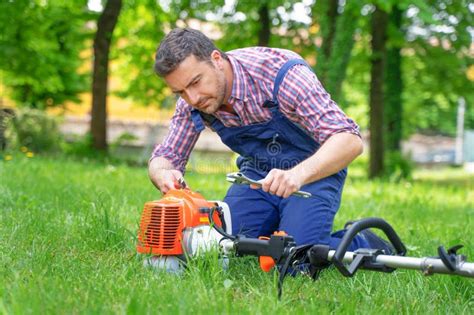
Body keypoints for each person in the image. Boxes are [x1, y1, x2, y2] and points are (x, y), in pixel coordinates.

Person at [148, 28, 392, 252]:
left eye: (195, 82)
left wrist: (296, 175)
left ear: (216, 60)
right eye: (180, 91)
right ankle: (277, 227)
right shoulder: (192, 101)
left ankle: (364, 241)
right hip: (257, 176)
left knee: (296, 258)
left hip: (312, 174)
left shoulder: (281, 74)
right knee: (221, 246)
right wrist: (163, 174)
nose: (192, 97)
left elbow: (349, 139)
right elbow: (167, 157)